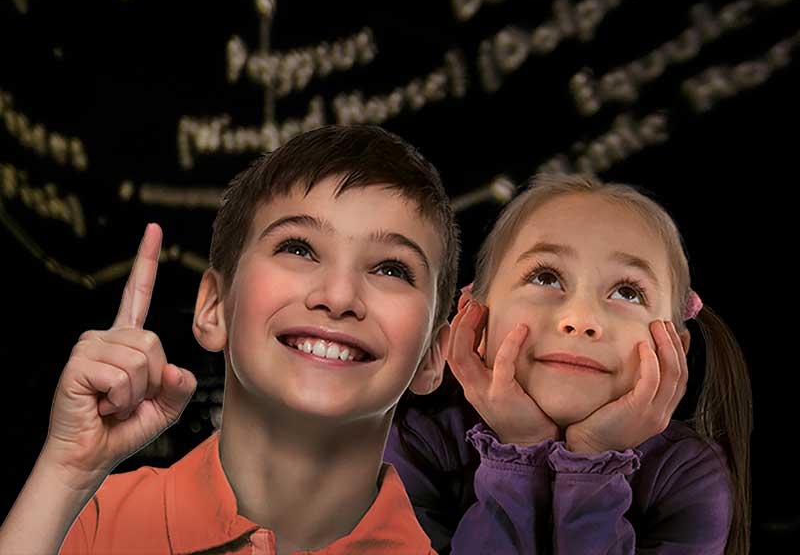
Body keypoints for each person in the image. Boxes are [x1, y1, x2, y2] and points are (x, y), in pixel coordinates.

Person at [0, 124, 461, 555]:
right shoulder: (83, 524)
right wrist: (65, 474)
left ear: (433, 356)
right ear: (214, 308)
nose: (339, 297)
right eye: (298, 249)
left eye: (391, 269)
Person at [385, 172, 752, 554]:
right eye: (545, 277)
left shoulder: (687, 475)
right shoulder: (412, 447)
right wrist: (519, 450)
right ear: (475, 323)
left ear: (673, 348)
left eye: (627, 292)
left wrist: (593, 459)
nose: (581, 318)